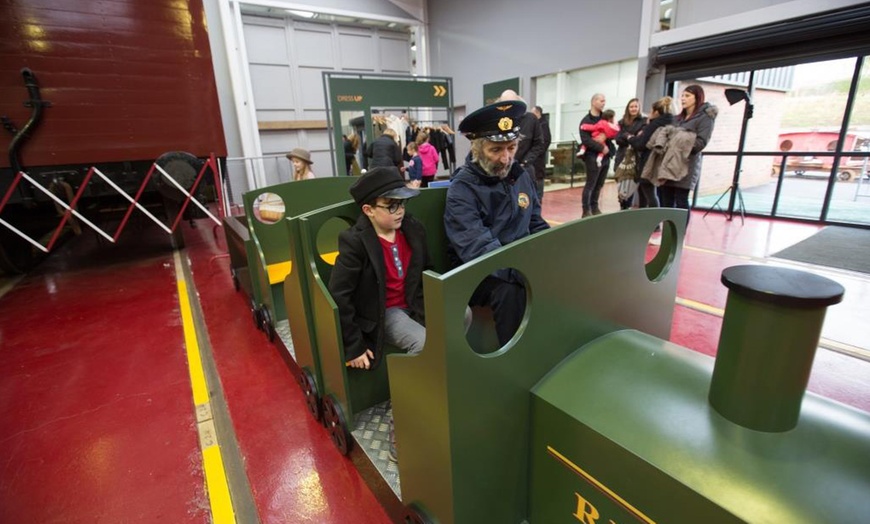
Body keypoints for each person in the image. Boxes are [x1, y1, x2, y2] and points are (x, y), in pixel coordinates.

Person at [328, 166, 430, 462]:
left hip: (415, 302)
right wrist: (354, 345)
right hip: (385, 312)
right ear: (369, 210)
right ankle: (399, 423)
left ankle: (438, 388)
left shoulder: (413, 229)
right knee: (421, 343)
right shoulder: (355, 242)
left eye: (403, 203)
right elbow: (340, 295)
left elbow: (426, 269)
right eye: (392, 205)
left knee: (461, 315)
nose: (400, 211)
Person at [444, 100, 550, 347]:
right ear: (477, 148)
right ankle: (514, 361)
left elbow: (535, 224)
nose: (506, 158)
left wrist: (551, 255)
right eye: (496, 150)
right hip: (476, 272)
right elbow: (477, 248)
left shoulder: (520, 176)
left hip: (517, 265)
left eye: (511, 147)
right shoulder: (462, 188)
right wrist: (523, 272)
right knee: (510, 291)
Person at [659, 84, 718, 214]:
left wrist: (679, 142)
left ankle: (679, 233)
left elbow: (700, 143)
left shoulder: (705, 117)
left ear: (697, 98)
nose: (683, 99)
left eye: (687, 96)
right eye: (682, 96)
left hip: (686, 165)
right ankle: (668, 233)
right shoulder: (677, 118)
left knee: (681, 201)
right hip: (670, 163)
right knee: (666, 201)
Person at [498, 90, 547, 202]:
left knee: (531, 203)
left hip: (525, 168)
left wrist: (524, 162)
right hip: (503, 170)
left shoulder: (530, 119)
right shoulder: (498, 121)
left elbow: (539, 144)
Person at [628, 96, 676, 210]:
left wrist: (630, 138)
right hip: (666, 163)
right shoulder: (674, 122)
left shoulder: (655, 124)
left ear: (656, 112)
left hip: (650, 162)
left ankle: (655, 222)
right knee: (659, 195)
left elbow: (641, 144)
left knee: (649, 193)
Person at [578, 93, 614, 217]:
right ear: (593, 102)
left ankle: (594, 206)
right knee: (591, 184)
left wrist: (608, 149)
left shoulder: (605, 119)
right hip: (592, 156)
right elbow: (585, 140)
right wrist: (601, 147)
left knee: (599, 184)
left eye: (605, 101)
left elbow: (613, 132)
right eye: (601, 100)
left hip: (605, 157)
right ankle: (586, 210)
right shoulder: (586, 121)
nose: (604, 103)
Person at [615, 98, 648, 210]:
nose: (633, 109)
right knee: (621, 184)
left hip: (637, 159)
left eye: (635, 106)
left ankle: (636, 212)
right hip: (622, 157)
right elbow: (618, 139)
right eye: (631, 106)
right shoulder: (621, 122)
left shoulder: (644, 121)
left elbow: (640, 140)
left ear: (639, 108)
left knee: (634, 185)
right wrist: (631, 137)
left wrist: (626, 136)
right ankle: (623, 208)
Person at [530, 105, 552, 203]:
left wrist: (536, 152)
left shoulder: (543, 125)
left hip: (538, 160)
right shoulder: (535, 125)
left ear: (538, 113)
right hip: (533, 159)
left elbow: (546, 141)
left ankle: (538, 199)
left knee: (538, 178)